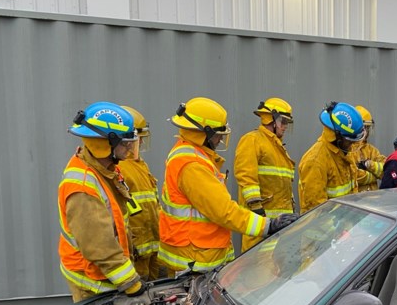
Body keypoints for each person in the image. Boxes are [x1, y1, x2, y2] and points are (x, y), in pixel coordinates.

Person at [158, 97, 297, 274]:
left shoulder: (193, 156)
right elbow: (223, 210)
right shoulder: (192, 164)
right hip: (195, 258)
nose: (219, 140)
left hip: (199, 253)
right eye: (218, 134)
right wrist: (267, 225)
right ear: (205, 132)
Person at [58, 101, 146, 302]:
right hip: (92, 283)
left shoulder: (103, 169)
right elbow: (99, 245)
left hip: (104, 275)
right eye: (125, 143)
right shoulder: (83, 187)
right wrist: (131, 284)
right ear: (106, 143)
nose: (130, 148)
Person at [233, 97, 297, 251]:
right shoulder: (252, 140)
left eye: (287, 123)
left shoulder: (277, 146)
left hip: (281, 226)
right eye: (283, 122)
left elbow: (283, 185)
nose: (285, 127)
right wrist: (257, 210)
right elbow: (246, 177)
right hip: (261, 224)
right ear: (271, 119)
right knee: (257, 268)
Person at [117, 105, 163, 281]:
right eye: (138, 139)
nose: (141, 143)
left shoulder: (139, 165)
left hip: (152, 245)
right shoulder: (118, 168)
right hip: (137, 248)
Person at [298, 101, 366, 212]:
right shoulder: (315, 161)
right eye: (349, 141)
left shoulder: (344, 153)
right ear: (337, 136)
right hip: (323, 228)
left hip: (344, 224)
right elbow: (316, 210)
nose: (352, 145)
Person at [349, 105, 386, 192]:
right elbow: (353, 176)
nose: (367, 131)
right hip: (355, 201)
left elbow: (386, 170)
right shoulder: (348, 150)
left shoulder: (371, 150)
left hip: (372, 201)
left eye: (368, 128)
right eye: (365, 127)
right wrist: (373, 176)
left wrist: (369, 165)